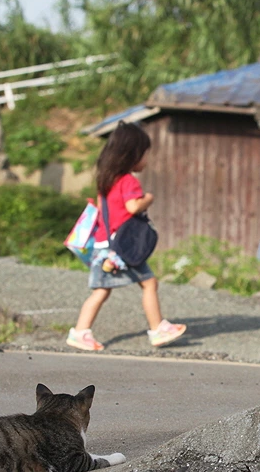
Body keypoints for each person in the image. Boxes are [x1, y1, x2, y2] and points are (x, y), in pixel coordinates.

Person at [67, 122, 186, 351]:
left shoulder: (106, 181)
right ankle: (157, 329)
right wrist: (148, 199)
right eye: (145, 154)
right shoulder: (128, 181)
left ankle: (81, 331)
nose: (147, 160)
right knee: (147, 283)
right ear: (133, 155)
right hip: (120, 248)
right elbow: (132, 207)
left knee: (104, 290)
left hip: (105, 244)